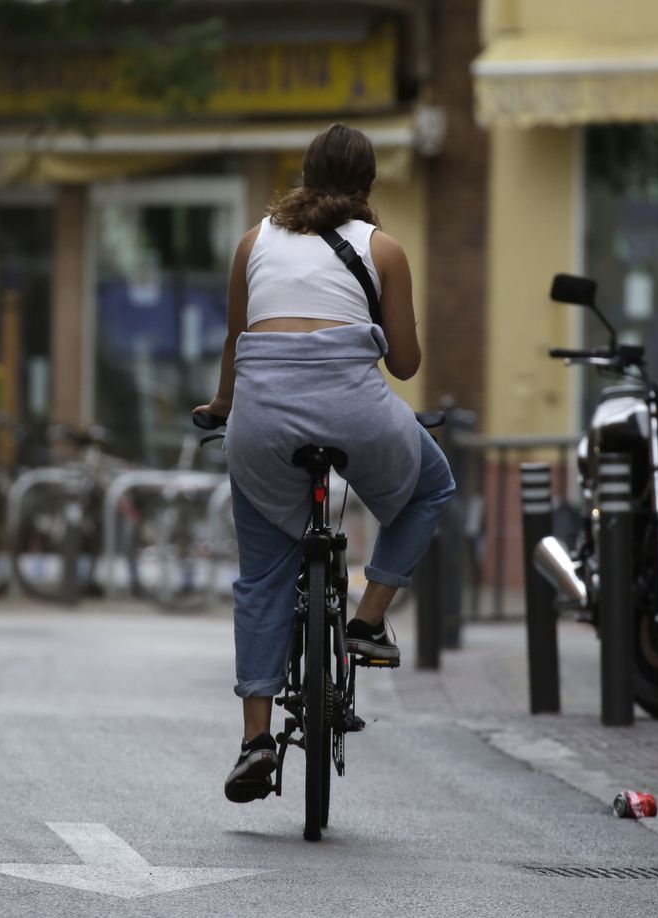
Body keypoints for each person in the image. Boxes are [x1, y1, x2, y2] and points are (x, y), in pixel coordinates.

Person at [195, 123, 455, 803]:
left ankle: (255, 741)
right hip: (355, 411)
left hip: (263, 418)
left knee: (261, 579)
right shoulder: (385, 249)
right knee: (432, 484)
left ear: (303, 176)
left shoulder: (254, 242)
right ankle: (368, 621)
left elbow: (237, 340)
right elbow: (403, 363)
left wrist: (224, 406)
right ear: (369, 184)